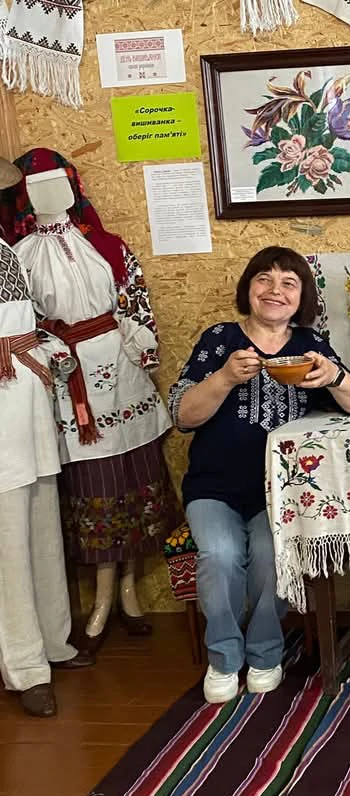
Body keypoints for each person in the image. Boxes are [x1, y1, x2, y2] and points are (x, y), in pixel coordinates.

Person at [169, 246, 350, 703]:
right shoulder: (220, 339)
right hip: (213, 487)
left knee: (271, 556)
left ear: (301, 298)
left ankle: (264, 652)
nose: (274, 290)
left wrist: (334, 378)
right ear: (248, 288)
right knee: (220, 555)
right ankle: (224, 657)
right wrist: (223, 378)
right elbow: (182, 414)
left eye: (288, 283)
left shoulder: (310, 345)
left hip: (281, 493)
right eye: (264, 279)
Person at [0, 148, 178, 653]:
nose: (51, 194)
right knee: (94, 484)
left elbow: (134, 301)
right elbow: (22, 321)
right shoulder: (19, 255)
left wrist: (142, 340)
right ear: (23, 196)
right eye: (38, 186)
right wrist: (50, 348)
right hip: (69, 378)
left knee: (136, 477)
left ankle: (129, 588)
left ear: (74, 186)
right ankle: (100, 597)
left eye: (60, 182)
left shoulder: (107, 245)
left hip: (123, 372)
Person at [0, 158, 94, 718]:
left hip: (27, 392)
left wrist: (43, 349)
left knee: (39, 522)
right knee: (8, 536)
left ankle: (54, 639)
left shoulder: (5, 249)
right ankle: (24, 664)